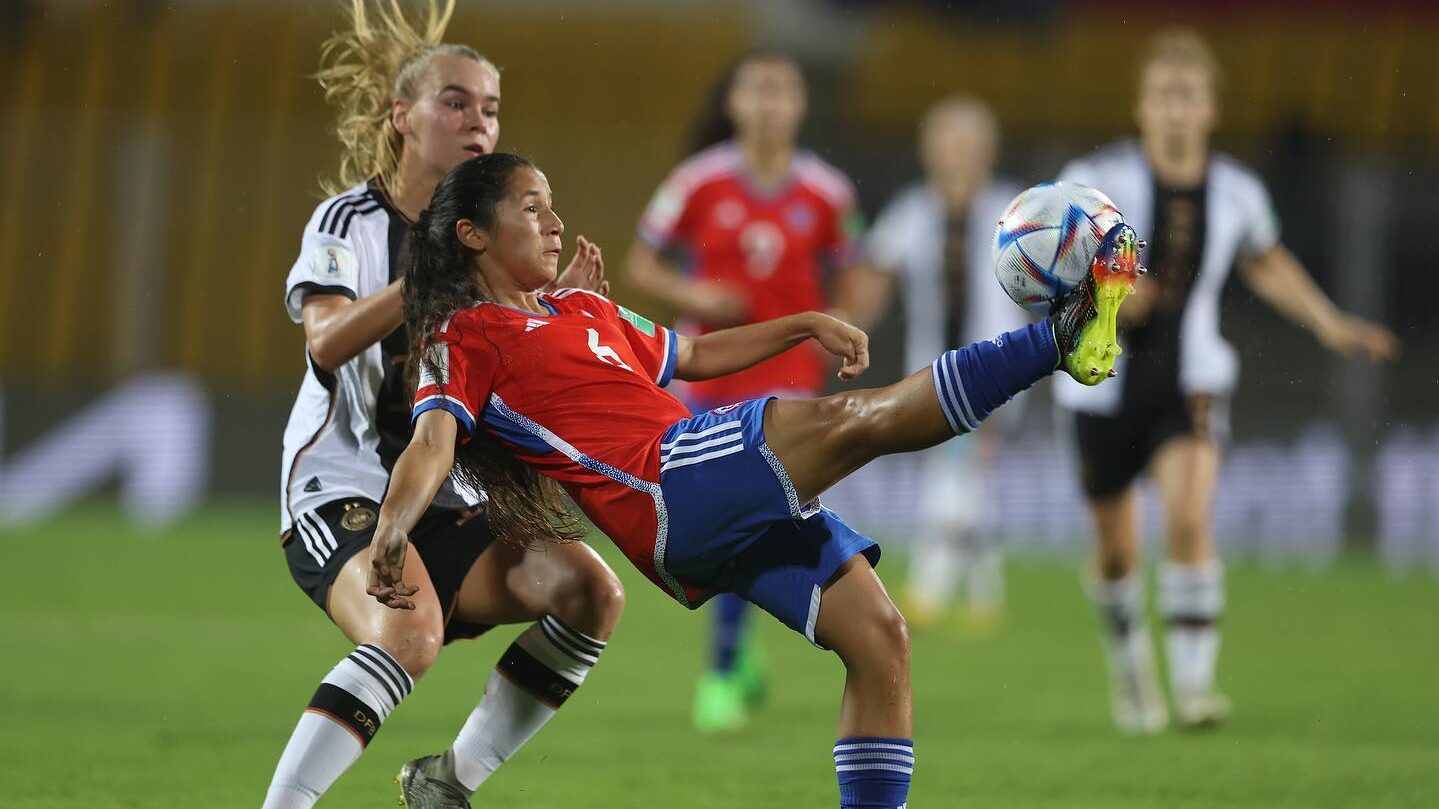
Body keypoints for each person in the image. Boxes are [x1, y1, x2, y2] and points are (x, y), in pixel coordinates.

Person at [368, 153, 1141, 809]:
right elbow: (433, 444)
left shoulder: (580, 307)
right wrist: (395, 525)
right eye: (530, 208)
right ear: (472, 234)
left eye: (551, 206)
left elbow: (695, 357)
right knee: (853, 422)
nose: (554, 221)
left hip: (696, 495)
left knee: (880, 638)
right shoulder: (459, 336)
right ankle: (1058, 340)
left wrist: (803, 321)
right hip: (665, 482)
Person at [264, 4, 623, 808]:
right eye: (454, 102)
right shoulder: (348, 223)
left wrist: (560, 319)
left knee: (588, 590)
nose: (477, 122)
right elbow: (325, 344)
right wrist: (427, 272)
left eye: (489, 108)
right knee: (408, 632)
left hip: (445, 492)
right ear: (402, 116)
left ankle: (446, 782)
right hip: (344, 484)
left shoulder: (494, 244)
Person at [1055, 28, 1400, 733]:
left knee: (1187, 514)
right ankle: (1131, 673)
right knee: (1117, 548)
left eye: (1188, 96)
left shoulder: (1237, 190)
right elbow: (1048, 264)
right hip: (1101, 383)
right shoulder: (1095, 181)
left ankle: (1193, 689)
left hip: (1191, 378)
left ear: (1210, 108)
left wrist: (1328, 322)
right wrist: (1110, 287)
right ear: (1140, 107)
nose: (1175, 109)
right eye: (1162, 95)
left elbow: (1264, 261)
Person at [624, 50, 869, 732]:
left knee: (758, 524)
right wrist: (693, 291)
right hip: (708, 378)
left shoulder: (828, 193)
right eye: (755, 91)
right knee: (734, 524)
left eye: (780, 91)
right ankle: (730, 665)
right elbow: (641, 260)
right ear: (734, 104)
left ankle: (731, 661)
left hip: (790, 383)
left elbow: (851, 273)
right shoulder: (696, 183)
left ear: (798, 106)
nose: (767, 103)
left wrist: (843, 331)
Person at [840, 96, 1027, 634]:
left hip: (1000, 360)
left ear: (987, 151)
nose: (958, 156)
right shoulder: (913, 212)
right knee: (964, 471)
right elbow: (876, 275)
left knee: (959, 467)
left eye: (968, 145)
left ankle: (929, 585)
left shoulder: (1015, 213)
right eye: (948, 144)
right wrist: (848, 324)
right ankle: (985, 591)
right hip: (935, 366)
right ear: (930, 152)